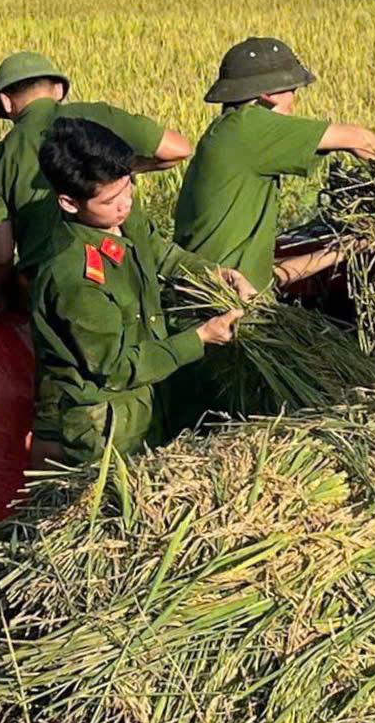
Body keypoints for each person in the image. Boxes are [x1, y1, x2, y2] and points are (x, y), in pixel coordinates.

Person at [29, 118, 243, 465]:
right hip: (105, 425)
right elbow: (116, 367)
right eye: (111, 199)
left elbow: (156, 251)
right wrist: (200, 338)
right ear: (69, 203)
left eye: (129, 187)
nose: (125, 203)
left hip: (147, 398)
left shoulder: (118, 213)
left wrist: (215, 274)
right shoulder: (76, 276)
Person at [0, 51, 193, 317]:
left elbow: (0, 253)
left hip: (48, 291)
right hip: (121, 269)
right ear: (58, 89)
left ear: (6, 102)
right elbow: (179, 149)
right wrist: (115, 168)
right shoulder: (97, 117)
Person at [173, 37, 375, 296]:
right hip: (220, 315)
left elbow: (267, 278)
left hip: (225, 299)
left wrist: (353, 246)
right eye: (292, 89)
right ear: (267, 95)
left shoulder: (226, 135)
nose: (295, 99)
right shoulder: (249, 127)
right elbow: (359, 138)